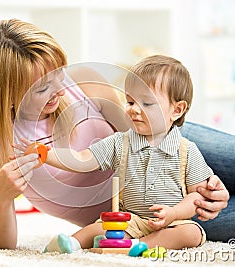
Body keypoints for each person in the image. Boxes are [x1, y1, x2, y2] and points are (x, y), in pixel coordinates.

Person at [0, 18, 235, 250]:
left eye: (59, 73)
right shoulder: (0, 147)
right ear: (3, 94)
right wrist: (0, 199)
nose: (61, 87)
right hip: (144, 220)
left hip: (179, 157)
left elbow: (137, 130)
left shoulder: (85, 84)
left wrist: (195, 188)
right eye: (43, 87)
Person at [37, 54, 214, 253]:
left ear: (177, 110)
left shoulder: (187, 150)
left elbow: (197, 198)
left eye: (146, 104)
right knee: (101, 226)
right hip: (130, 219)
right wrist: (47, 155)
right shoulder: (120, 142)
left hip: (173, 221)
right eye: (130, 102)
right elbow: (84, 158)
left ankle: (141, 246)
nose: (134, 110)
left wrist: (173, 213)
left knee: (191, 233)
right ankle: (70, 243)